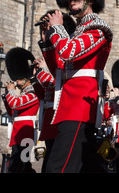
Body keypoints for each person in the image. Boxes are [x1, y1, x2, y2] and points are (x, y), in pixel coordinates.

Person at [43, 0, 113, 173]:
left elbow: (69, 52)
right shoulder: (77, 31)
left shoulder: (98, 28)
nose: (71, 0)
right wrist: (47, 41)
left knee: (59, 167)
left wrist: (57, 29)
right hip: (68, 105)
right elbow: (59, 68)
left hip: (80, 106)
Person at [34, 11, 77, 173]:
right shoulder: (51, 54)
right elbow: (43, 92)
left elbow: (59, 79)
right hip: (51, 117)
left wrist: (41, 72)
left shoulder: (70, 53)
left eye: (48, 30)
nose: (45, 34)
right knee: (50, 163)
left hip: (66, 114)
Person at [3, 47, 40, 173]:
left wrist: (11, 91)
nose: (16, 82)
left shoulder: (33, 94)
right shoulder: (24, 94)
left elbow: (15, 103)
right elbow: (12, 112)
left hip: (25, 134)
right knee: (21, 165)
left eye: (18, 79)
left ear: (26, 78)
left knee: (18, 165)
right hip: (18, 134)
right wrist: (6, 94)